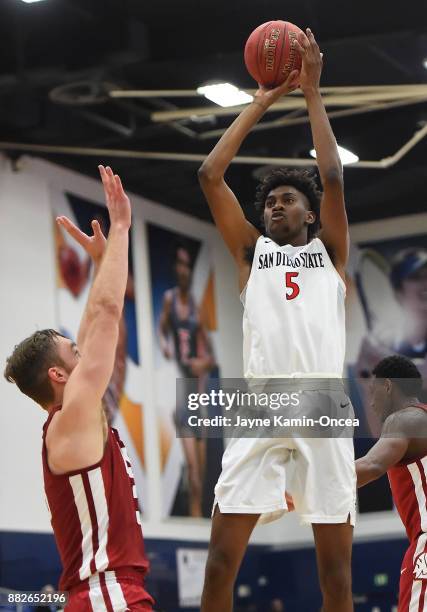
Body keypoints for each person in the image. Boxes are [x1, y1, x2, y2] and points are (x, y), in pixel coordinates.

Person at [198, 29, 355, 612]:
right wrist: (260, 101)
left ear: (310, 213)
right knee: (219, 564)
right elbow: (210, 177)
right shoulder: (250, 255)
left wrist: (313, 94)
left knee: (335, 575)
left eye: (288, 199)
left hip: (321, 403)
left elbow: (334, 175)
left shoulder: (331, 256)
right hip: (258, 404)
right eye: (270, 201)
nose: (275, 206)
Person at [4, 166, 154, 611]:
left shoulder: (73, 418)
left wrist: (98, 263)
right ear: (58, 375)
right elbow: (107, 313)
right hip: (107, 593)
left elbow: (92, 327)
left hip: (108, 593)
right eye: (72, 350)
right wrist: (123, 227)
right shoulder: (71, 420)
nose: (83, 348)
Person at [356, 355, 427, 611]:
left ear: (387, 386)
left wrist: (308, 487)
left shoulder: (403, 419)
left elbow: (370, 466)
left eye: (372, 390)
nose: (371, 402)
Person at [159, 242, 216, 517]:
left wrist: (201, 363)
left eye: (187, 265)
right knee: (194, 471)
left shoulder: (196, 308)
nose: (183, 270)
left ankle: (198, 518)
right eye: (179, 264)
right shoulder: (170, 300)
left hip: (198, 398)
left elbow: (211, 357)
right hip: (182, 397)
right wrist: (165, 346)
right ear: (175, 270)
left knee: (201, 476)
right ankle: (193, 517)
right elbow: (161, 329)